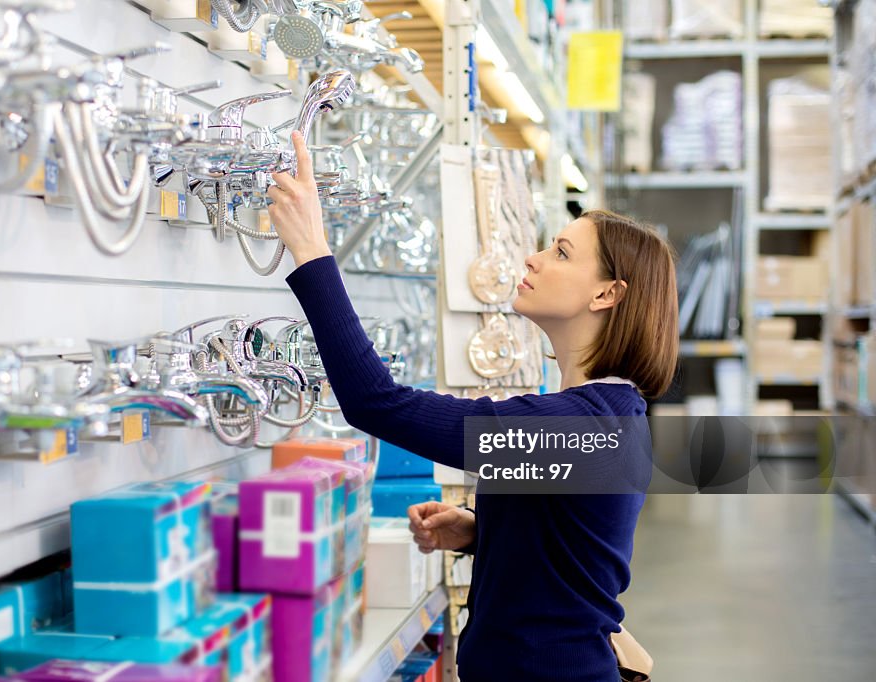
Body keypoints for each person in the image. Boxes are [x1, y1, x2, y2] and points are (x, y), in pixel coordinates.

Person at [267, 132, 679, 682]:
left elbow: (377, 404)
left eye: (560, 252)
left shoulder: (581, 426)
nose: (533, 257)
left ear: (607, 295)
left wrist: (313, 252)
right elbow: (576, 547)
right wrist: (484, 531)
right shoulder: (602, 414)